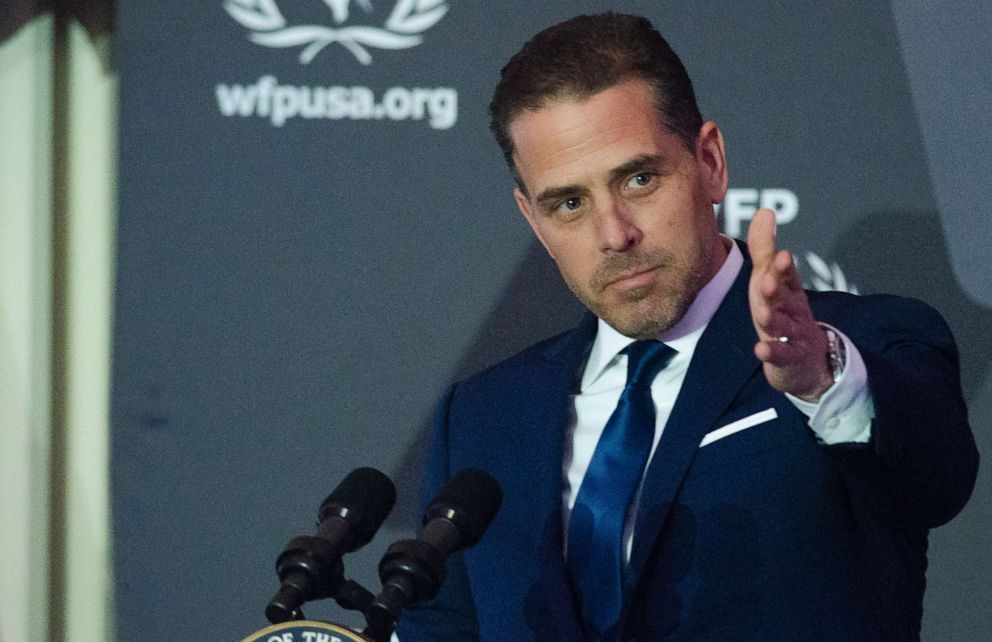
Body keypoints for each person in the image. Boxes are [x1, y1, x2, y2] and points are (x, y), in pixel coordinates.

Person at [394, 12, 979, 642]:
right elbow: (442, 627)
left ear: (710, 162)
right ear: (532, 219)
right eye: (569, 203)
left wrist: (821, 379)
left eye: (639, 179)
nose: (614, 233)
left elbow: (936, 480)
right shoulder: (483, 418)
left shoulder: (862, 343)